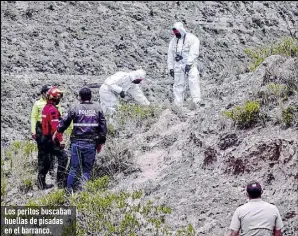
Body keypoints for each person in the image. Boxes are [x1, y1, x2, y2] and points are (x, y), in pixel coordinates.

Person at [53, 87, 107, 193]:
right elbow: (103, 126)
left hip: (76, 143)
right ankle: (83, 191)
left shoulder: (75, 108)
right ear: (90, 97)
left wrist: (58, 131)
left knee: (74, 168)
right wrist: (101, 142)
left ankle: (69, 191)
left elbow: (65, 121)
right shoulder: (97, 108)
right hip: (91, 143)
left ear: (80, 97)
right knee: (87, 169)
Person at [167, 22, 202, 107]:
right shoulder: (173, 41)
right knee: (178, 84)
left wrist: (189, 63)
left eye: (177, 32)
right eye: (175, 33)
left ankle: (197, 101)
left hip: (190, 64)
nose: (176, 34)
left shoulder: (192, 38)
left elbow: (194, 52)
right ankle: (178, 105)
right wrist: (170, 68)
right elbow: (170, 55)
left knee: (193, 80)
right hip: (178, 65)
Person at [40, 86, 68, 190]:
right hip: (51, 139)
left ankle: (41, 183)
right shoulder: (52, 110)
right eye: (59, 97)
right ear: (55, 98)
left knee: (45, 161)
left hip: (44, 138)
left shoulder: (46, 107)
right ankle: (60, 182)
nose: (60, 98)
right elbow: (56, 128)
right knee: (63, 157)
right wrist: (60, 140)